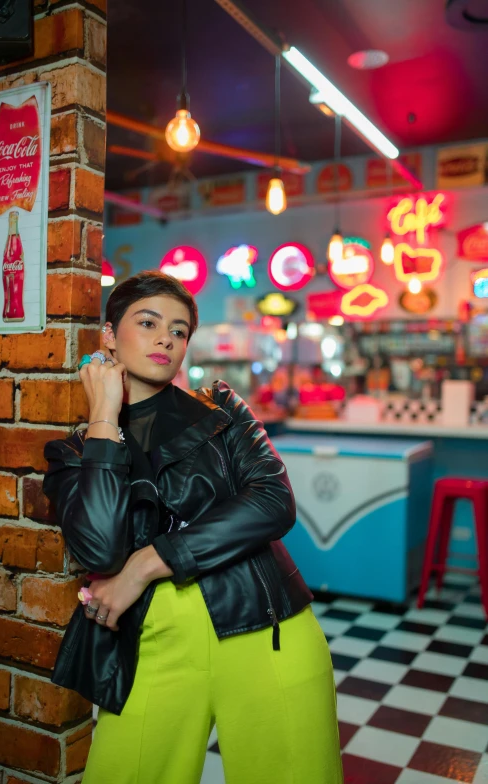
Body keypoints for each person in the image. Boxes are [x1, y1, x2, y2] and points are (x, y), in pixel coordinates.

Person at [42, 271, 343, 784]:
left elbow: (273, 502)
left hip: (266, 628)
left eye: (179, 331)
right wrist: (104, 416)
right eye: (149, 322)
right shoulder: (75, 451)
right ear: (109, 335)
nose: (166, 338)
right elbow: (97, 549)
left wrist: (145, 564)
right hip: (151, 645)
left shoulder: (223, 410)